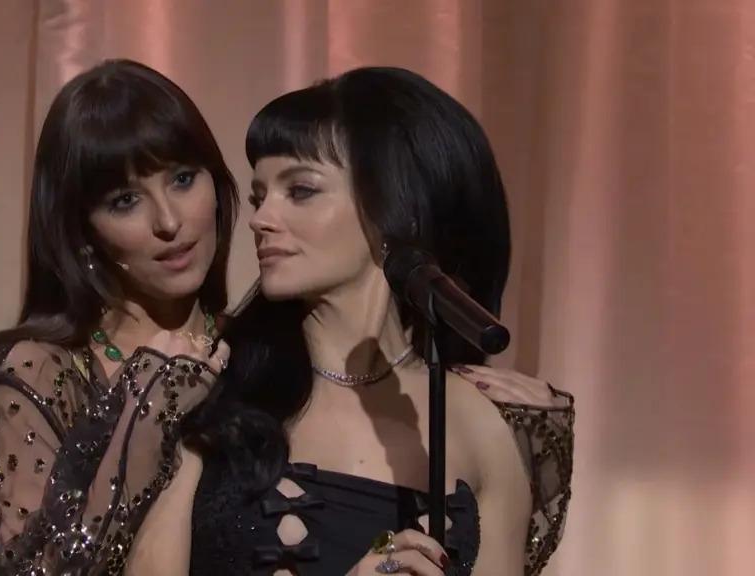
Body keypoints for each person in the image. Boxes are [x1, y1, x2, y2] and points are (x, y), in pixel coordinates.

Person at [127, 67, 574, 576]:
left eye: (300, 190)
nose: (261, 219)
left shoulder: (480, 423)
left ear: (398, 209)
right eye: (259, 196)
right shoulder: (210, 385)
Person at [0, 59, 237, 575]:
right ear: (81, 233)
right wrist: (151, 405)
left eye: (183, 178)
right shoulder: (36, 373)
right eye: (126, 201)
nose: (169, 221)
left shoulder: (266, 347)